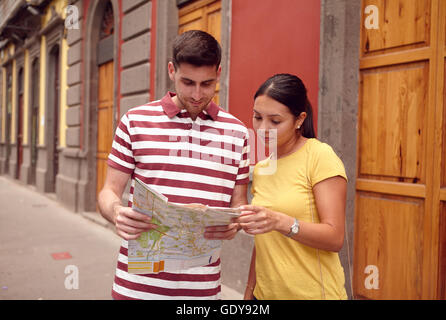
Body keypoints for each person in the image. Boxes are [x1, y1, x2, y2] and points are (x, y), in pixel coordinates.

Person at [98, 30, 250, 300]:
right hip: (135, 287)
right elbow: (108, 192)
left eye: (207, 83)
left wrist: (234, 223)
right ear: (171, 70)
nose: (196, 94)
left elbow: (238, 203)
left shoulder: (238, 133)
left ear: (219, 72)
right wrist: (117, 212)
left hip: (201, 292)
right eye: (187, 82)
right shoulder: (134, 121)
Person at [235, 73, 348, 300]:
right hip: (264, 295)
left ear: (299, 119)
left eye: (275, 121)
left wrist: (281, 221)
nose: (263, 128)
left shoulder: (319, 156)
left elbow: (335, 238)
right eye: (257, 117)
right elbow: (264, 241)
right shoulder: (262, 168)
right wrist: (249, 292)